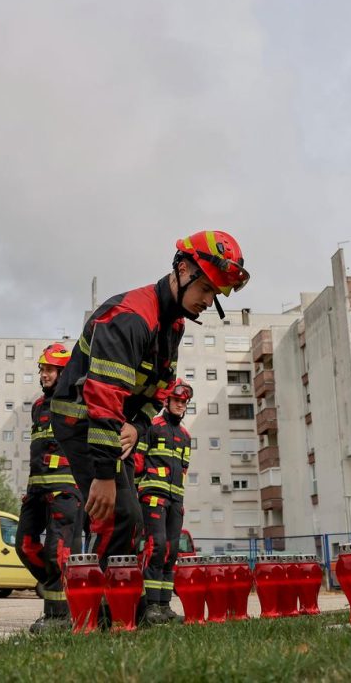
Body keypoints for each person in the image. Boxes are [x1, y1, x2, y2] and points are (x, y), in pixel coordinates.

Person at [50, 231, 248, 573]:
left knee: (131, 518)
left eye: (214, 293)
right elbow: (102, 395)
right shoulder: (132, 316)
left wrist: (137, 425)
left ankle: (118, 608)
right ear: (183, 270)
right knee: (117, 514)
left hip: (114, 425)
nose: (207, 300)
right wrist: (104, 473)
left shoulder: (172, 324)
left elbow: (160, 387)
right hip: (82, 420)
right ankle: (95, 611)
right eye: (205, 289)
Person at [16, 342, 79, 633]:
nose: (44, 374)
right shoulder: (39, 406)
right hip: (37, 491)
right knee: (25, 546)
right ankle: (64, 591)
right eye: (42, 369)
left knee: (58, 554)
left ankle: (58, 617)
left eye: (50, 369)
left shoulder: (77, 402)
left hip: (65, 491)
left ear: (64, 372)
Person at [136, 378, 192, 625]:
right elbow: (137, 463)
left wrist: (179, 499)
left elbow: (184, 469)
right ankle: (149, 607)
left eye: (184, 401)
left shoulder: (185, 436)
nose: (181, 405)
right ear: (167, 401)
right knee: (156, 546)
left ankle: (164, 606)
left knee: (170, 552)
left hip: (175, 499)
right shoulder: (152, 426)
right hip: (153, 496)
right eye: (177, 400)